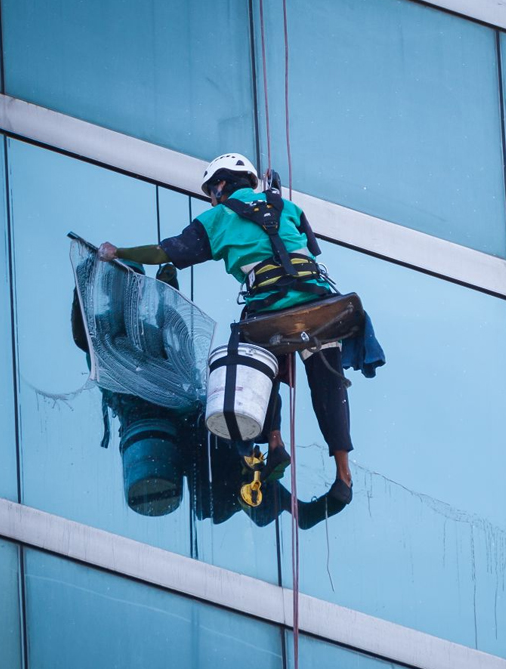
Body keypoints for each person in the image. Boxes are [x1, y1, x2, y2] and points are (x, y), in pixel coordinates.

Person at [98, 153, 352, 506]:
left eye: (211, 191)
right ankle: (343, 474)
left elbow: (166, 251)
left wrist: (118, 251)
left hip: (270, 305)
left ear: (220, 185)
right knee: (328, 379)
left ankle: (271, 442)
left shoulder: (218, 217)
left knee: (249, 363)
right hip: (322, 302)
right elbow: (305, 246)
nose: (212, 199)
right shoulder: (287, 206)